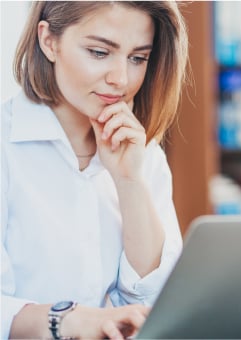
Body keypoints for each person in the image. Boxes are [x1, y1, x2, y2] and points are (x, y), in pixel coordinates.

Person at [1, 1, 188, 339]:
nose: (121, 79)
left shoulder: (144, 155)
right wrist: (69, 320)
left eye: (137, 58)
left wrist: (129, 181)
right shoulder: (6, 148)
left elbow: (156, 304)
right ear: (49, 41)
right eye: (100, 52)